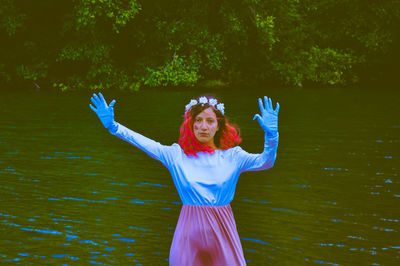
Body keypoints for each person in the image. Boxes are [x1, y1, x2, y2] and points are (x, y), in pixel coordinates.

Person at [89, 92, 279, 265]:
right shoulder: (176, 155)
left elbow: (265, 161)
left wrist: (271, 135)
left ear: (219, 125)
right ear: (191, 124)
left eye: (210, 121)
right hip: (188, 233)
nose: (203, 127)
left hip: (224, 232)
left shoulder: (233, 156)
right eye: (198, 120)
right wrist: (113, 126)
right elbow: (143, 142)